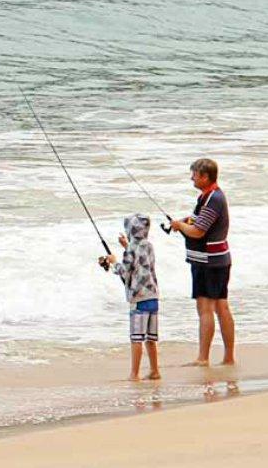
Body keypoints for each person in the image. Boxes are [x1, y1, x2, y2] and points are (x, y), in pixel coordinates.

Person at [168, 157, 234, 366]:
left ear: (205, 177)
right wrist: (185, 222)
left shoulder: (213, 199)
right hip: (216, 260)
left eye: (195, 175)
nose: (192, 179)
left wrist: (180, 226)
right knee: (221, 307)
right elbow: (198, 222)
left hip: (209, 262)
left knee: (205, 307)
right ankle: (228, 357)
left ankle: (203, 358)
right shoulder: (208, 197)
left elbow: (198, 232)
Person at [97, 213, 161, 380]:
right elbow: (140, 262)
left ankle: (135, 374)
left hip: (138, 299)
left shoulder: (132, 249)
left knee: (136, 338)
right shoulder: (149, 246)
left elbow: (125, 271)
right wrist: (127, 247)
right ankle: (155, 371)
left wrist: (113, 261)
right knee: (150, 338)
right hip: (153, 297)